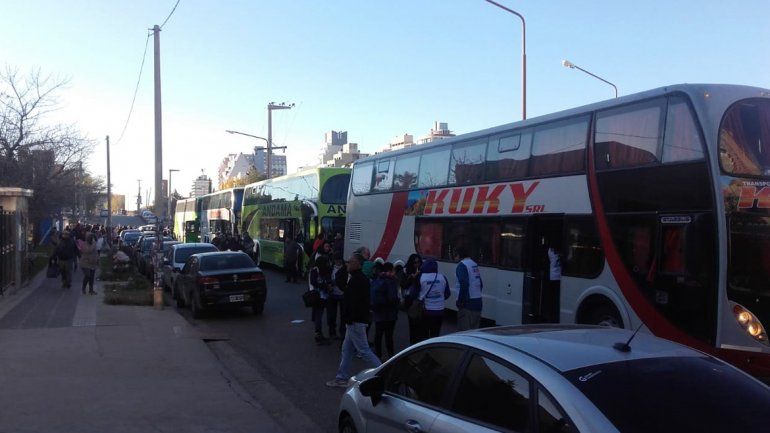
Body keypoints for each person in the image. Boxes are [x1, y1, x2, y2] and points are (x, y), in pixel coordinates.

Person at [326, 253, 382, 388]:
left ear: (358, 264)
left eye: (350, 262)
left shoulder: (358, 280)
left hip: (355, 321)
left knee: (363, 350)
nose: (347, 264)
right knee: (347, 349)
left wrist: (349, 318)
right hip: (354, 321)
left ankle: (383, 372)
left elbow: (354, 303)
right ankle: (341, 377)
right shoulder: (358, 278)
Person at [372, 262, 400, 360]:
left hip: (378, 312)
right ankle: (391, 356)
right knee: (389, 336)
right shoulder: (391, 281)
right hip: (390, 313)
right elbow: (393, 298)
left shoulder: (377, 279)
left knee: (378, 334)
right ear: (390, 270)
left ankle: (377, 355)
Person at [418, 258, 450, 340]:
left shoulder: (421, 277)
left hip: (427, 311)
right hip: (440, 311)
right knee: (435, 334)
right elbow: (447, 294)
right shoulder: (443, 277)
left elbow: (414, 293)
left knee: (424, 334)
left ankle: (425, 351)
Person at [455, 246, 484, 331]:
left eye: (455, 255)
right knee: (473, 334)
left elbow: (464, 284)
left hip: (467, 305)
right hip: (478, 303)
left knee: (463, 334)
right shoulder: (474, 264)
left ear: (459, 255)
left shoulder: (461, 265)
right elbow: (480, 284)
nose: (454, 257)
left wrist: (461, 302)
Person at [309, 255, 333, 344]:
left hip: (322, 296)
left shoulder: (321, 270)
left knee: (318, 315)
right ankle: (318, 334)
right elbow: (313, 282)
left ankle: (319, 334)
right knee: (318, 315)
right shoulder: (316, 271)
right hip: (318, 296)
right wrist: (325, 285)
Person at [400, 253, 423, 345]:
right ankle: (413, 343)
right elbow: (403, 284)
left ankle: (417, 342)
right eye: (415, 262)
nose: (417, 264)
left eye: (419, 262)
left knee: (419, 323)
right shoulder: (406, 271)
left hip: (419, 299)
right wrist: (412, 277)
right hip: (410, 299)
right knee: (412, 322)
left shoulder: (422, 271)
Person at [327, 252, 347, 340]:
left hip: (342, 294)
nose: (337, 262)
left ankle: (342, 332)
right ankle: (332, 332)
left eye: (339, 261)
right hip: (333, 294)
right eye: (336, 261)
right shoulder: (331, 268)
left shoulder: (345, 269)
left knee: (343, 316)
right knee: (332, 315)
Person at [545, 243, 562, 323]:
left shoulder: (550, 251)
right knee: (557, 297)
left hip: (552, 276)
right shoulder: (562, 251)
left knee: (552, 298)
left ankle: (551, 315)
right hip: (560, 277)